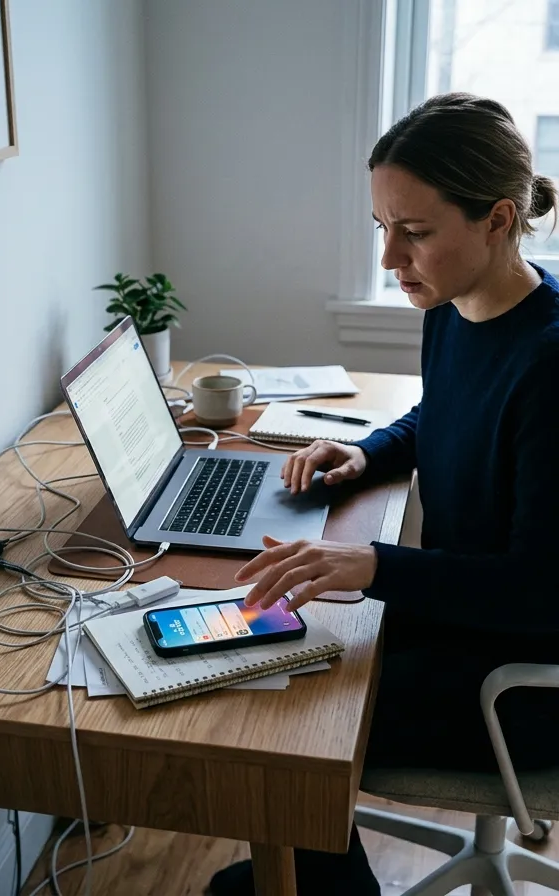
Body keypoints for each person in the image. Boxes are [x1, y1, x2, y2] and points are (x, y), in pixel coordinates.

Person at [207, 91, 559, 894]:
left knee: (285, 716)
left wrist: (375, 565)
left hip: (521, 679)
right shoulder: (456, 305)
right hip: (461, 620)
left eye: (416, 232)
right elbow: (443, 411)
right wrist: (365, 453)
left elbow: (541, 592)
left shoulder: (550, 366)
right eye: (382, 228)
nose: (391, 257)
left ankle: (323, 881)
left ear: (498, 220)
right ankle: (312, 871)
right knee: (278, 641)